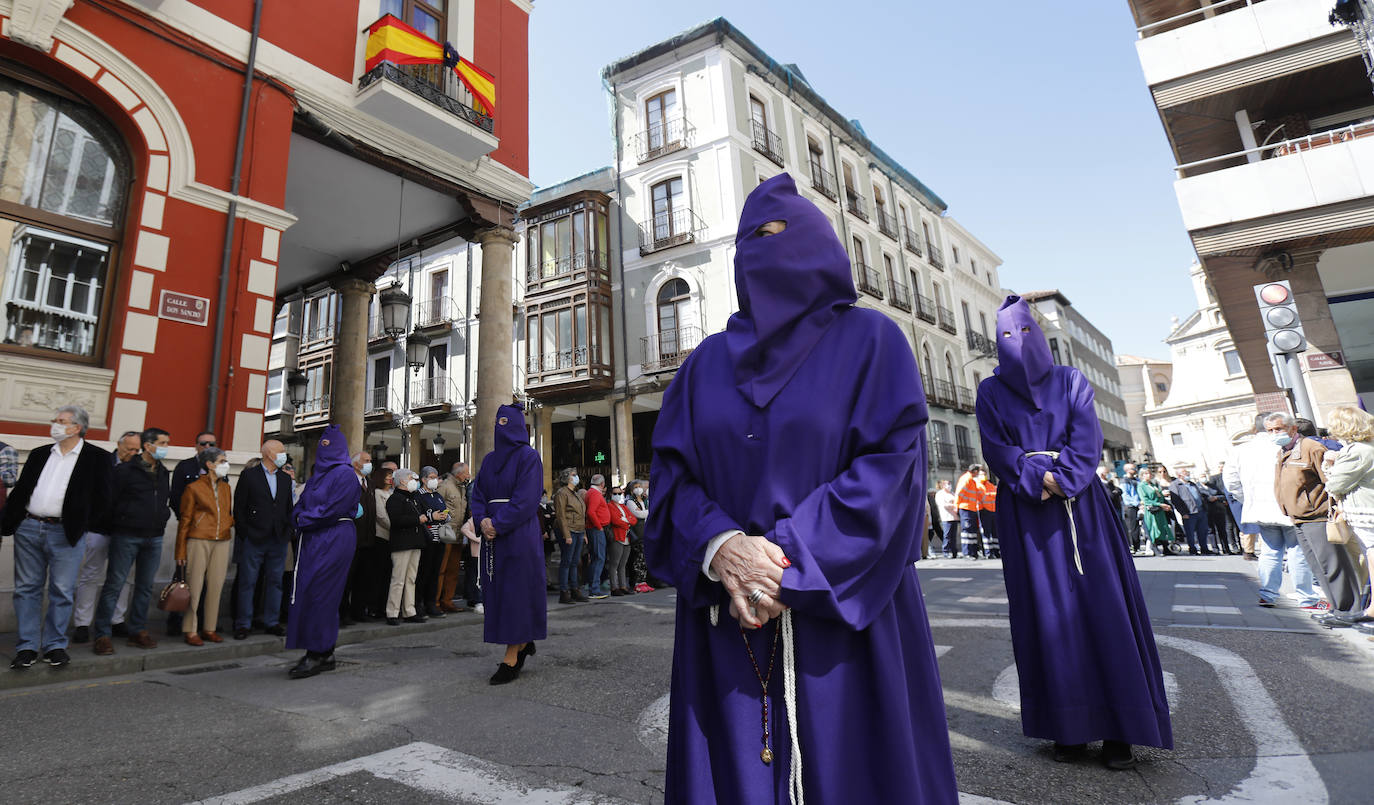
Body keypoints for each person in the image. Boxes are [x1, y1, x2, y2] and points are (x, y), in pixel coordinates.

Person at [645, 175, 957, 802]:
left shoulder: (872, 342)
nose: (767, 248)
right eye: (752, 239)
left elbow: (890, 470)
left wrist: (784, 566)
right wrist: (722, 547)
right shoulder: (703, 367)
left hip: (849, 614)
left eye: (781, 232)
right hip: (726, 615)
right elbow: (671, 485)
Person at [976, 295, 1171, 770]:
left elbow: (1087, 438)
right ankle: (1068, 726)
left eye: (1025, 332)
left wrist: (1060, 480)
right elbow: (994, 447)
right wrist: (1031, 477)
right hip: (1027, 515)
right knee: (1045, 613)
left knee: (1101, 609)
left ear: (1039, 335)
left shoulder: (1072, 380)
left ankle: (1120, 729)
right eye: (1006, 336)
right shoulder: (989, 391)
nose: (1017, 344)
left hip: (1080, 509)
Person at [3, 406, 112, 670]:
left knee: (61, 590)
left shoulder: (97, 457)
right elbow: (22, 489)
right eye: (55, 420)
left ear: (77, 427)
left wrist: (83, 524)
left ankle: (55, 646)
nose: (55, 425)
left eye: (61, 421)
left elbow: (104, 498)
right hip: (29, 527)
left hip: (66, 532)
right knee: (27, 589)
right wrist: (11, 520)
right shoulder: (41, 453)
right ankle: (27, 646)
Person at [471, 404, 547, 684]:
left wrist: (497, 523)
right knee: (498, 592)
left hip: (518, 533)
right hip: (493, 534)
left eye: (507, 422)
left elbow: (526, 499)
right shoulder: (489, 460)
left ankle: (512, 654)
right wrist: (482, 520)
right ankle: (523, 640)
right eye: (498, 422)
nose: (501, 428)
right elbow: (477, 494)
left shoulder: (529, 457)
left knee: (517, 591)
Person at [1270, 413, 1363, 625]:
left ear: (1293, 429)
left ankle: (1348, 610)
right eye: (1271, 430)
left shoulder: (1311, 448)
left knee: (1333, 565)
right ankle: (1337, 607)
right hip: (1299, 518)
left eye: (1278, 429)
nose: (1274, 434)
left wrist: (1333, 509)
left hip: (1318, 516)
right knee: (1319, 566)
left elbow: (1330, 480)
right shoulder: (1282, 452)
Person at [286, 424, 362, 679]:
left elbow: (332, 510)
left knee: (322, 593)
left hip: (334, 537)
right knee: (309, 590)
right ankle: (323, 651)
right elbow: (302, 504)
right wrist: (298, 517)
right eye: (322, 446)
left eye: (330, 446)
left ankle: (316, 652)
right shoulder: (317, 476)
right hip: (313, 538)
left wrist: (303, 519)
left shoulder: (345, 475)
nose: (325, 451)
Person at [1224, 414, 1321, 610]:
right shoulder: (1284, 445)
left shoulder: (1240, 450)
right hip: (1290, 505)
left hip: (1260, 507)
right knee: (1297, 551)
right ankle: (1306, 597)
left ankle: (1268, 594)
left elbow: (1231, 482)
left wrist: (1247, 499)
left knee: (1269, 551)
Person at [93, 427, 172, 656]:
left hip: (154, 536)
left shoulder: (163, 472)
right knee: (114, 584)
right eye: (163, 443)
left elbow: (163, 500)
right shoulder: (125, 470)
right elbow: (109, 501)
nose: (166, 448)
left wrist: (162, 518)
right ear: (148, 446)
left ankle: (138, 630)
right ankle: (102, 634)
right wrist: (122, 521)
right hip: (127, 535)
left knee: (145, 587)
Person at [70, 431, 140, 644]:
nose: (133, 453)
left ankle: (117, 619)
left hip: (125, 531)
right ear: (119, 445)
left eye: (137, 449)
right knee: (91, 575)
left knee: (124, 577)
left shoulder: (139, 468)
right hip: (98, 528)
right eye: (130, 448)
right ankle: (82, 623)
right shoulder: (102, 463)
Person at [232, 440, 294, 640]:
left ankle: (272, 622)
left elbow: (288, 508)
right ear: (268, 453)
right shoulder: (249, 476)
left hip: (278, 539)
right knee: (248, 582)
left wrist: (286, 531)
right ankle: (243, 623)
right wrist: (246, 533)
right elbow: (239, 509)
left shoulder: (285, 479)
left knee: (275, 582)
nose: (284, 454)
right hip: (254, 538)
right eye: (281, 451)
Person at [175, 447, 234, 645]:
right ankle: (190, 630)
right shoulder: (193, 488)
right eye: (222, 461)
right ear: (209, 465)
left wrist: (228, 523)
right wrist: (180, 550)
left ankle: (210, 627)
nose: (226, 465)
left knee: (216, 586)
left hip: (222, 540)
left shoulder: (226, 488)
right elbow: (185, 520)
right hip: (198, 539)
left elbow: (227, 512)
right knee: (195, 586)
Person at [1323, 405, 1374, 634]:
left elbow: (1335, 484)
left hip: (1366, 512)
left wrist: (1331, 463)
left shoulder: (1356, 451)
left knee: (1371, 557)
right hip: (1366, 509)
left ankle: (1372, 610)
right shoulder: (1366, 447)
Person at [165, 430, 217, 636]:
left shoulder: (218, 469)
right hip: (190, 530)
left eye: (211, 444)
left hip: (212, 533)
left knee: (206, 577)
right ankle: (175, 620)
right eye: (203, 444)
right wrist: (189, 521)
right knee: (182, 575)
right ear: (196, 446)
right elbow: (175, 498)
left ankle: (202, 620)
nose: (207, 447)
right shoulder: (185, 466)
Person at [383, 468, 432, 625]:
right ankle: (392, 612)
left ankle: (409, 611)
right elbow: (396, 520)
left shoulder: (413, 498)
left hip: (415, 542)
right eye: (411, 478)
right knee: (398, 579)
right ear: (402, 481)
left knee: (411, 578)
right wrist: (417, 520)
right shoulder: (395, 499)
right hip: (402, 543)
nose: (414, 481)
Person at [341, 451, 378, 622]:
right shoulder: (347, 481)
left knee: (363, 577)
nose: (369, 463)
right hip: (350, 538)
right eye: (366, 461)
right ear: (356, 464)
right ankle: (342, 613)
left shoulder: (369, 483)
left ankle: (358, 610)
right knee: (347, 578)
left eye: (370, 460)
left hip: (368, 538)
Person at [435, 462, 471, 613]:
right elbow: (436, 505)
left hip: (457, 534)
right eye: (466, 473)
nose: (469, 476)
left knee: (453, 570)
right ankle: (436, 602)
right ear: (458, 474)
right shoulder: (445, 486)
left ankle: (447, 600)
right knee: (441, 570)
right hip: (446, 533)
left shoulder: (462, 487)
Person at [415, 466, 449, 618]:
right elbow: (418, 514)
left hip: (440, 538)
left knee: (435, 573)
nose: (435, 480)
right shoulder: (418, 495)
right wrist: (431, 517)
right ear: (424, 479)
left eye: (436, 477)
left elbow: (445, 510)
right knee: (424, 572)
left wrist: (445, 516)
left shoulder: (438, 495)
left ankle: (431, 604)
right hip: (426, 539)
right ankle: (418, 604)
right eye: (432, 477)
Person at [553, 468, 588, 604]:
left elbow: (581, 515)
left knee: (575, 562)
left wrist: (584, 533)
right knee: (567, 561)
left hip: (578, 530)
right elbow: (561, 515)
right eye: (574, 475)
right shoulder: (562, 493)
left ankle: (575, 589)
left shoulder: (576, 494)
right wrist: (566, 535)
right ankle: (564, 592)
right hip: (569, 530)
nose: (576, 477)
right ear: (567, 478)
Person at [1168, 468, 1212, 556]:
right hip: (1189, 512)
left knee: (1202, 531)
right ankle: (1192, 549)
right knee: (1190, 533)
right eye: (1185, 472)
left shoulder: (1192, 484)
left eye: (1187, 472)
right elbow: (1176, 500)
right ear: (1179, 475)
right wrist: (1183, 513)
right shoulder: (1175, 485)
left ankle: (1204, 548)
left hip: (1200, 510)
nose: (1188, 474)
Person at [583, 473, 612, 598]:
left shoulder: (591, 492)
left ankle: (594, 587)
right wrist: (599, 527)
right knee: (599, 558)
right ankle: (594, 589)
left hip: (595, 528)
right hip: (596, 529)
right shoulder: (594, 494)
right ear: (602, 484)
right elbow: (591, 512)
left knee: (597, 558)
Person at [606, 485, 638, 595]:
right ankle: (614, 588)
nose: (618, 495)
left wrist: (625, 520)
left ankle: (623, 586)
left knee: (623, 564)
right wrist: (627, 522)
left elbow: (633, 520)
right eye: (615, 493)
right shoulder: (609, 506)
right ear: (610, 494)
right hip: (617, 537)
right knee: (614, 564)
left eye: (620, 493)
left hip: (627, 538)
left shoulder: (623, 506)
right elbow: (615, 520)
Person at [1137, 468, 1173, 556]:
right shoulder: (1141, 486)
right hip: (1151, 510)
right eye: (1146, 474)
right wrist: (1159, 504)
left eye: (1149, 473)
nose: (1148, 475)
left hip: (1160, 510)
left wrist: (1164, 504)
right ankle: (1155, 548)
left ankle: (1166, 547)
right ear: (1142, 475)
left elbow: (1160, 495)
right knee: (1153, 528)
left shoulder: (1153, 484)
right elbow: (1145, 500)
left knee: (1162, 527)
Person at [626, 480, 652, 589]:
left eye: (640, 486)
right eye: (636, 487)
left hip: (646, 532)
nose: (638, 489)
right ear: (632, 490)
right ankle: (636, 582)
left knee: (644, 559)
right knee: (637, 558)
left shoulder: (645, 500)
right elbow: (638, 514)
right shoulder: (630, 502)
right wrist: (649, 511)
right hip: (637, 533)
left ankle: (644, 581)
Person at [955, 464, 985, 558]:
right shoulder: (966, 479)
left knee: (971, 531)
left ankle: (973, 552)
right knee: (967, 531)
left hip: (970, 508)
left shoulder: (971, 480)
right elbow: (959, 493)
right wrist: (957, 506)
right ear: (975, 471)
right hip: (965, 508)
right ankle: (967, 552)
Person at [1119, 463, 1143, 554]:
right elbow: (1125, 495)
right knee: (1133, 527)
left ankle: (1138, 546)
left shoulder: (1137, 480)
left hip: (1140, 505)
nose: (1135, 470)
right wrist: (1137, 503)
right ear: (1127, 470)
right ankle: (1134, 547)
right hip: (1131, 506)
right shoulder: (1124, 481)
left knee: (1139, 528)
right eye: (1133, 468)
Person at [933, 479, 959, 558]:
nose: (949, 485)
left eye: (950, 484)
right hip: (946, 517)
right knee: (947, 535)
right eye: (947, 484)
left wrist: (953, 505)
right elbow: (943, 505)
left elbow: (957, 502)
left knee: (953, 536)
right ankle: (946, 551)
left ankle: (954, 551)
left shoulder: (952, 493)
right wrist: (953, 505)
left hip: (954, 517)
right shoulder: (940, 494)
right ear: (943, 485)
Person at [979, 476, 1000, 559]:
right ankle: (988, 552)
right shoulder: (978, 485)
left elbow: (996, 495)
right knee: (986, 532)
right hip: (984, 510)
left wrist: (989, 495)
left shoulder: (990, 485)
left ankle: (996, 551)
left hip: (993, 510)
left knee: (995, 532)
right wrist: (991, 495)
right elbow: (983, 497)